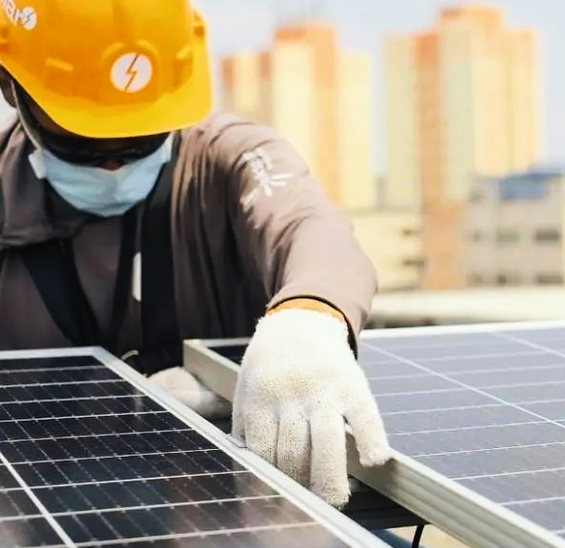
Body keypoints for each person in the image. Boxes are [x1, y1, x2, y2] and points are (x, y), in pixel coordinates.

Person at [0, 0, 391, 508]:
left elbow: (311, 228)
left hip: (230, 506)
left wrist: (309, 317)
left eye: (140, 136)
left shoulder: (229, 160)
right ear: (11, 86)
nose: (115, 164)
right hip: (33, 503)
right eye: (85, 139)